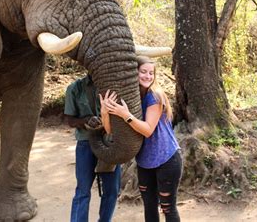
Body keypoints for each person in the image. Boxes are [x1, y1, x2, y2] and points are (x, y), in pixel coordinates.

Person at [100, 56, 182, 222]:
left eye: (151, 73)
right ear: (135, 73)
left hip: (167, 159)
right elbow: (110, 131)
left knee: (168, 209)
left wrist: (125, 115)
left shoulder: (155, 96)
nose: (147, 76)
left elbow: (148, 130)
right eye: (143, 72)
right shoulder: (134, 98)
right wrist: (105, 112)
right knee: (150, 207)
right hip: (145, 162)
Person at [64, 74, 122, 222]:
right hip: (85, 144)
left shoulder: (115, 86)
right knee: (83, 190)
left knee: (112, 190)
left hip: (109, 143)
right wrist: (85, 121)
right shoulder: (75, 88)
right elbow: (69, 120)